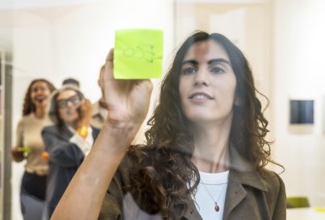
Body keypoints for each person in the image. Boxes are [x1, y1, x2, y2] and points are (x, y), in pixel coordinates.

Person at [51, 31, 286, 220]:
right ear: (177, 91)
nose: (200, 78)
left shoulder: (267, 188)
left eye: (216, 69)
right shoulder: (135, 171)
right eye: (190, 69)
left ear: (239, 96)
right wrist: (117, 127)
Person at [41, 85, 100, 219]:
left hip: (95, 204)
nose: (69, 105)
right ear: (57, 111)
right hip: (62, 206)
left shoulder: (99, 134)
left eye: (74, 100)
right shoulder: (51, 133)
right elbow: (67, 155)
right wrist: (84, 124)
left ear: (84, 104)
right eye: (62, 103)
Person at [11, 79, 56, 220]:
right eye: (35, 90)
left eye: (43, 89)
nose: (39, 92)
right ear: (30, 96)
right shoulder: (24, 122)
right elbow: (18, 157)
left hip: (56, 181)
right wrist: (16, 153)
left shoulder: (59, 120)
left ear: (51, 93)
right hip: (31, 182)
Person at [91, 64, 108, 129]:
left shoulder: (134, 113)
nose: (110, 85)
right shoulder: (86, 114)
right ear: (99, 82)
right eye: (105, 80)